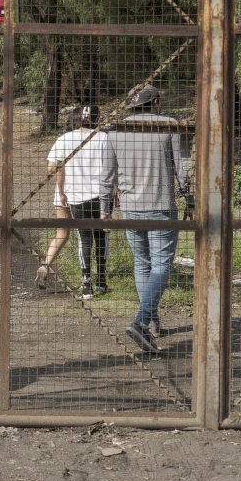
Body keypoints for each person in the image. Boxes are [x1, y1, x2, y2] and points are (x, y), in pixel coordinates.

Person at [108, 85, 190, 352]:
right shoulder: (169, 125)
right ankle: (142, 321)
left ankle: (152, 321)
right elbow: (182, 167)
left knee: (142, 263)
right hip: (161, 205)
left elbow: (109, 173)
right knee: (162, 266)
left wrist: (105, 207)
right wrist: (191, 200)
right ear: (156, 102)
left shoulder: (117, 129)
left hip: (130, 207)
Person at [36, 105, 116, 299]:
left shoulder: (64, 139)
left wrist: (63, 190)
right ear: (95, 119)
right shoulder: (104, 137)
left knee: (83, 238)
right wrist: (116, 190)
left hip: (77, 196)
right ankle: (102, 281)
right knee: (101, 236)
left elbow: (52, 167)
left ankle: (86, 282)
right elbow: (111, 166)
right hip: (101, 194)